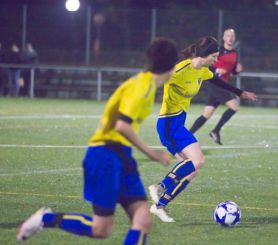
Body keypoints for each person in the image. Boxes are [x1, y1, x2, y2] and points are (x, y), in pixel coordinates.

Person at [17, 37, 179, 244]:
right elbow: (122, 125)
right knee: (101, 229)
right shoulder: (142, 87)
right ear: (172, 66)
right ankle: (45, 218)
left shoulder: (147, 84)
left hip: (121, 155)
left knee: (143, 218)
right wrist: (152, 153)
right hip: (105, 155)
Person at [148, 36, 257, 223]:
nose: (216, 60)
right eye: (214, 56)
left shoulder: (203, 71)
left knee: (192, 169)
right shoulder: (181, 69)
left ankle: (159, 206)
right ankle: (159, 187)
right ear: (205, 55)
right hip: (168, 124)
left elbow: (218, 82)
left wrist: (241, 93)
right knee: (197, 160)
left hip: (177, 123)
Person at [190, 29, 243, 145]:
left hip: (223, 85)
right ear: (223, 38)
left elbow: (232, 70)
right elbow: (207, 64)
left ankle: (188, 135)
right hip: (215, 83)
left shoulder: (235, 53)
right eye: (228, 36)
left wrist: (237, 71)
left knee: (207, 114)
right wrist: (217, 70)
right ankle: (216, 131)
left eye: (232, 36)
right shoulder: (217, 51)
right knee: (234, 106)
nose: (230, 38)